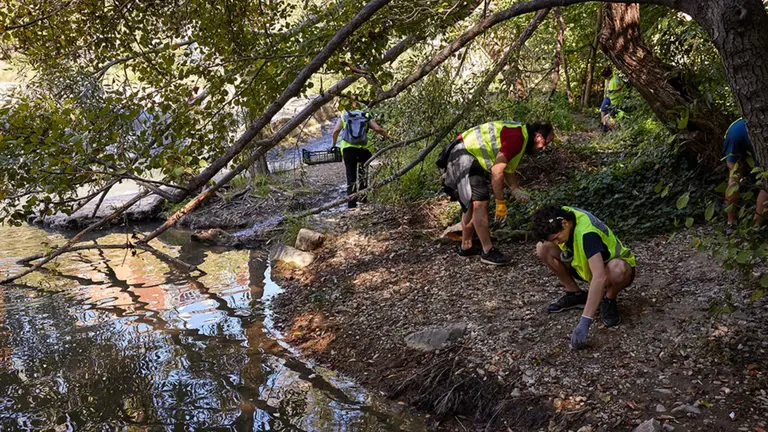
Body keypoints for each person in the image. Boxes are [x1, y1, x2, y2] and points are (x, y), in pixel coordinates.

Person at [437, 121, 554, 265]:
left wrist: (514, 189)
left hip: (463, 152)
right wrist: (500, 202)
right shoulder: (517, 138)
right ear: (537, 136)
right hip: (466, 155)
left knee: (471, 204)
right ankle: (487, 251)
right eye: (545, 142)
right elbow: (497, 170)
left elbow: (507, 168)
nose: (544, 148)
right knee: (480, 202)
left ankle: (466, 246)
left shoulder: (520, 135)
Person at [532, 205, 636, 349]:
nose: (557, 242)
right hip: (583, 266)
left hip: (611, 269)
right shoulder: (559, 216)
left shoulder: (587, 234)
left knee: (617, 269)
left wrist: (585, 322)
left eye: (557, 238)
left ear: (564, 224)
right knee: (542, 248)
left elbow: (599, 277)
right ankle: (575, 294)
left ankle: (609, 298)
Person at [331, 107, 392, 209]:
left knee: (351, 177)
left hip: (348, 149)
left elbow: (336, 131)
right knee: (363, 174)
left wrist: (333, 145)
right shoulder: (366, 115)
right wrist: (390, 137)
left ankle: (352, 205)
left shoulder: (344, 115)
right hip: (365, 149)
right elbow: (377, 129)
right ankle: (363, 199)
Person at [722, 118, 767, 227]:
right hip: (756, 134)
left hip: (734, 131)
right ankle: (756, 226)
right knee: (766, 181)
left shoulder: (749, 114)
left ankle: (731, 221)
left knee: (733, 179)